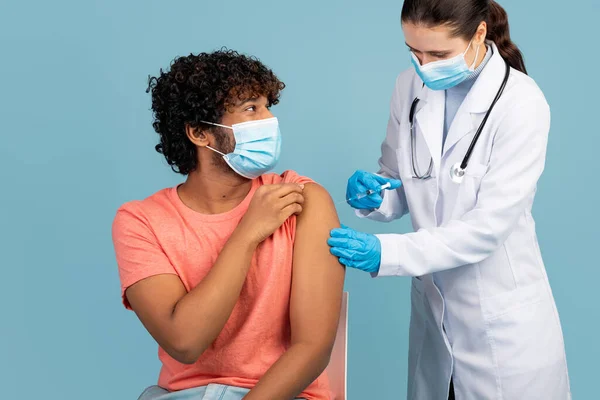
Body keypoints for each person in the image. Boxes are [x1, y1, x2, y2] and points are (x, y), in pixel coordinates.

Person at [327, 1, 570, 399]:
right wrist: (379, 195)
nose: (424, 65)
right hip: (433, 312)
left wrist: (384, 253)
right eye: (414, 51)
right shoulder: (409, 86)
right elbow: (401, 177)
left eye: (439, 54)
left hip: (500, 323)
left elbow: (486, 228)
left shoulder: (522, 103)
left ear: (478, 33)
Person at [112, 49, 345, 400]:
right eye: (251, 109)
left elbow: (312, 347)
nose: (269, 119)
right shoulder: (140, 221)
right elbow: (185, 342)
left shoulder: (304, 200)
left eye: (268, 106)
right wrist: (247, 233)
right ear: (200, 133)